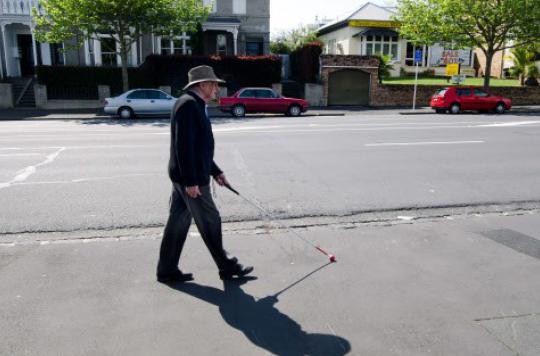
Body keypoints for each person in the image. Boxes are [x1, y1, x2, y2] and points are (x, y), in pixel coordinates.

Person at [157, 65, 253, 283]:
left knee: (178, 223)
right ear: (203, 85)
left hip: (185, 177)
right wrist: (192, 182)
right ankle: (227, 266)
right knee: (211, 221)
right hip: (191, 180)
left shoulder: (194, 104)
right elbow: (184, 147)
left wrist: (215, 171)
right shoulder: (189, 105)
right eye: (214, 85)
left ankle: (167, 269)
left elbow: (199, 147)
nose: (217, 89)